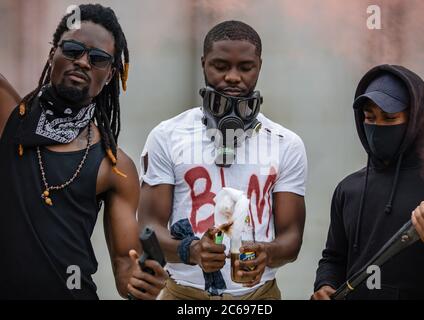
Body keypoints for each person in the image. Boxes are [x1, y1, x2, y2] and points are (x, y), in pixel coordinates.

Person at [0, 4, 167, 300]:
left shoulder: (114, 166)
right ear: (53, 54)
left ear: (112, 74)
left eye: (98, 58)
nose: (84, 62)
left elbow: (124, 267)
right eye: (73, 50)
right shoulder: (9, 117)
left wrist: (141, 284)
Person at [138, 20, 307, 299]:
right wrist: (190, 250)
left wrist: (267, 253)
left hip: (259, 296)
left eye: (245, 67)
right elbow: (147, 229)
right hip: (184, 295)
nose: (232, 77)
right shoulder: (166, 135)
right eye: (220, 65)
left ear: (259, 67)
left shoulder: (286, 143)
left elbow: (292, 239)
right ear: (203, 63)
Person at [312, 64, 424, 300]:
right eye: (369, 117)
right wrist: (325, 284)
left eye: (390, 118)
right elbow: (333, 257)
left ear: (415, 120)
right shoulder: (348, 189)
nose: (378, 127)